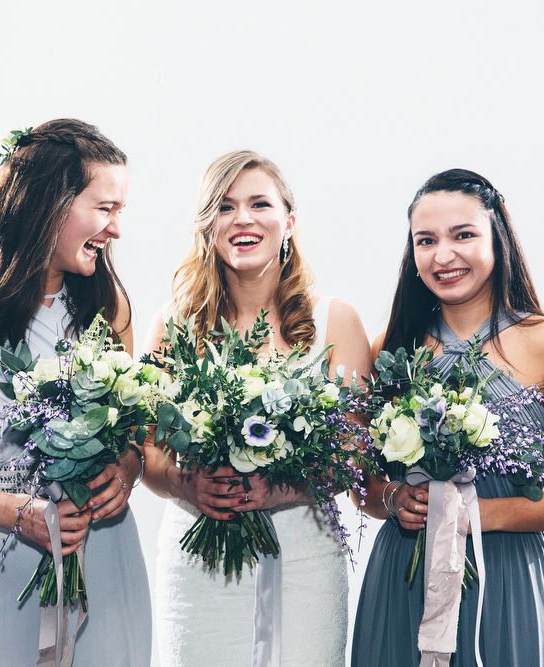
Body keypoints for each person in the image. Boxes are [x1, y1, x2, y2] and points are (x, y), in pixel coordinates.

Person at [352, 168, 544, 666]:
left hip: (507, 578)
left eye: (463, 235)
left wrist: (479, 516)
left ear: (498, 238)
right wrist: (393, 498)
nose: (443, 255)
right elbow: (359, 482)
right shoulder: (390, 346)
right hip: (405, 576)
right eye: (425, 240)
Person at [143, 149, 371, 666]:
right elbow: (149, 457)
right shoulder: (172, 325)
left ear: (289, 221)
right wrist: (189, 485)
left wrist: (281, 489)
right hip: (197, 563)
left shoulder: (336, 323)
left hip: (305, 558)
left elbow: (355, 455)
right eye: (225, 207)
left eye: (258, 204)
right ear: (208, 226)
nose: (242, 219)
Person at [0, 119, 151, 666]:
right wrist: (16, 512)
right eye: (105, 208)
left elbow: (137, 431)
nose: (116, 229)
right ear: (49, 205)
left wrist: (127, 468)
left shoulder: (112, 308)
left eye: (120, 211)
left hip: (105, 557)